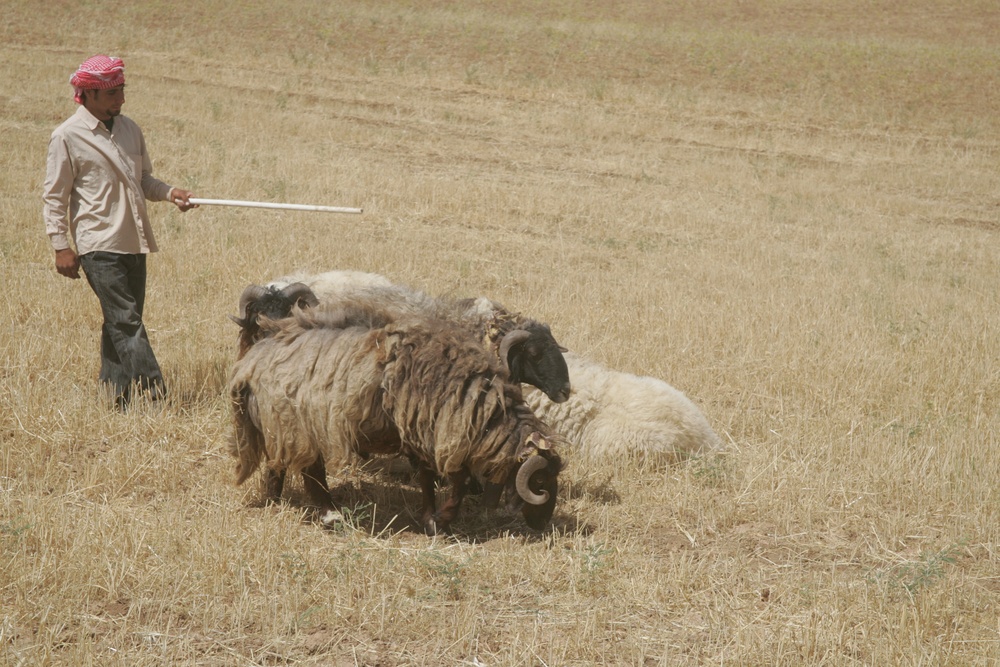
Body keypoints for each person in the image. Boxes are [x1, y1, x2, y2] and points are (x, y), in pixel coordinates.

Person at [42, 54, 197, 410]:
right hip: (97, 244)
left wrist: (172, 193)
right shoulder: (66, 136)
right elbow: (54, 196)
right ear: (88, 94)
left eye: (122, 90)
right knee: (127, 322)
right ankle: (157, 397)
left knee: (121, 322)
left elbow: (143, 181)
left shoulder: (129, 129)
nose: (121, 99)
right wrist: (60, 245)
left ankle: (116, 399)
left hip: (133, 240)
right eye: (112, 94)